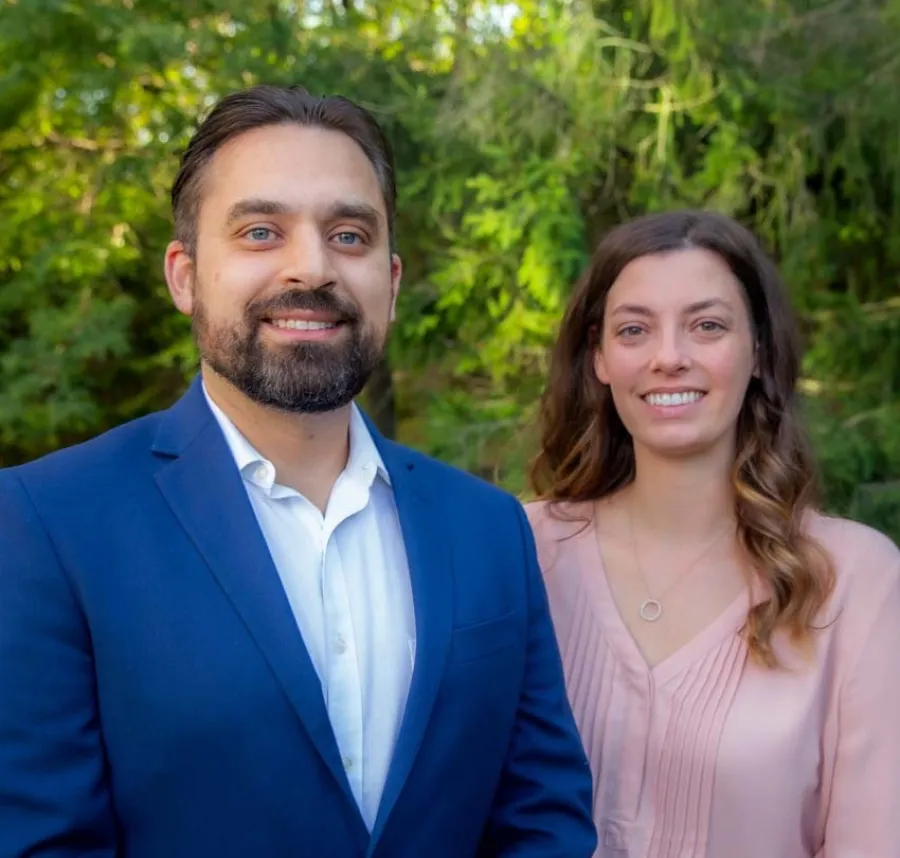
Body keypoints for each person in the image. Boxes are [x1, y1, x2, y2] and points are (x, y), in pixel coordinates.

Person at [0, 85, 596, 858]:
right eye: (259, 231)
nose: (310, 267)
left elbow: (541, 818)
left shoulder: (488, 528)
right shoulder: (51, 523)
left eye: (349, 235)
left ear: (393, 278)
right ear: (184, 275)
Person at [526, 210, 900, 858]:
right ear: (600, 359)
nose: (670, 357)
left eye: (707, 325)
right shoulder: (520, 550)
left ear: (758, 349)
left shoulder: (855, 581)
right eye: (634, 329)